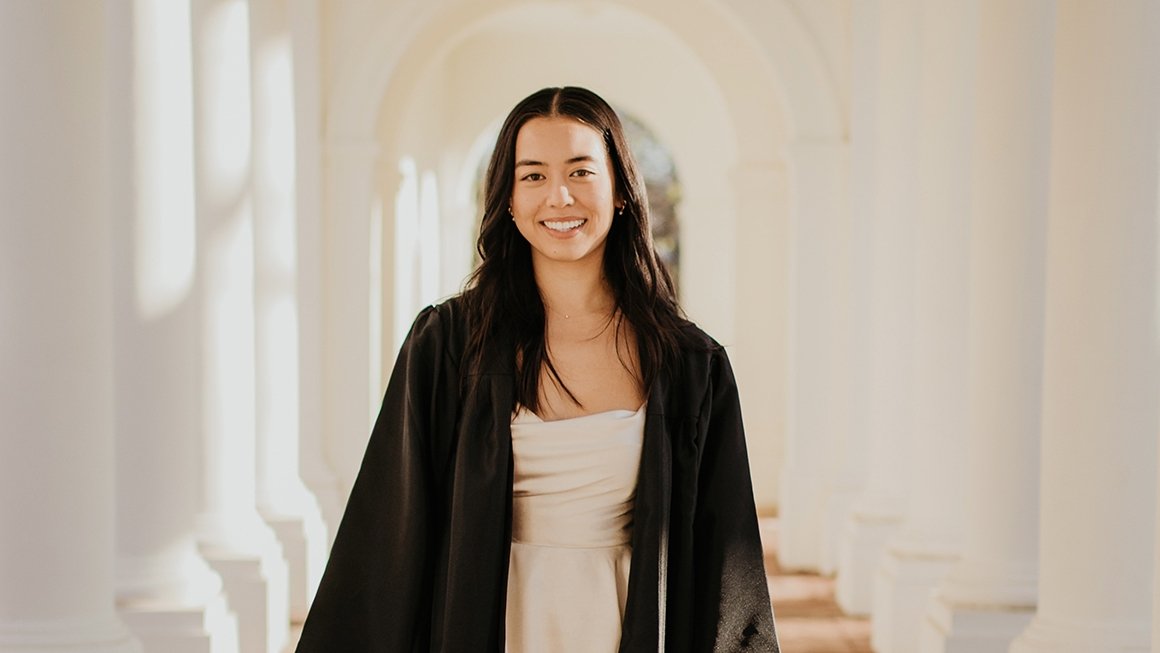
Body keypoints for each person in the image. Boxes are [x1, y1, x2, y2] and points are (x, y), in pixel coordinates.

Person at [295, 86, 779, 652]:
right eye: (533, 176)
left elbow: (726, 561)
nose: (559, 197)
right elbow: (387, 538)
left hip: (623, 625)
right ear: (506, 197)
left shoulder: (690, 366)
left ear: (620, 189)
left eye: (580, 172)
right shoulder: (449, 346)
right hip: (488, 626)